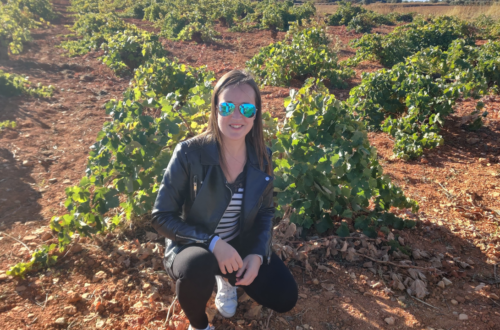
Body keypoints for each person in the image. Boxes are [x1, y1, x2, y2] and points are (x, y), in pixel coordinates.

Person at [152, 70, 298, 330]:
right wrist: (213, 243)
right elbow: (161, 217)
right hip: (192, 246)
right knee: (198, 264)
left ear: (256, 113)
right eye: (228, 106)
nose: (237, 116)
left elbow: (266, 212)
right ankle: (199, 325)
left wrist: (257, 252)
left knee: (285, 296)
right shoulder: (188, 154)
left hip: (238, 244)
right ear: (216, 109)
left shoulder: (262, 157)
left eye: (247, 109)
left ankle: (227, 279)